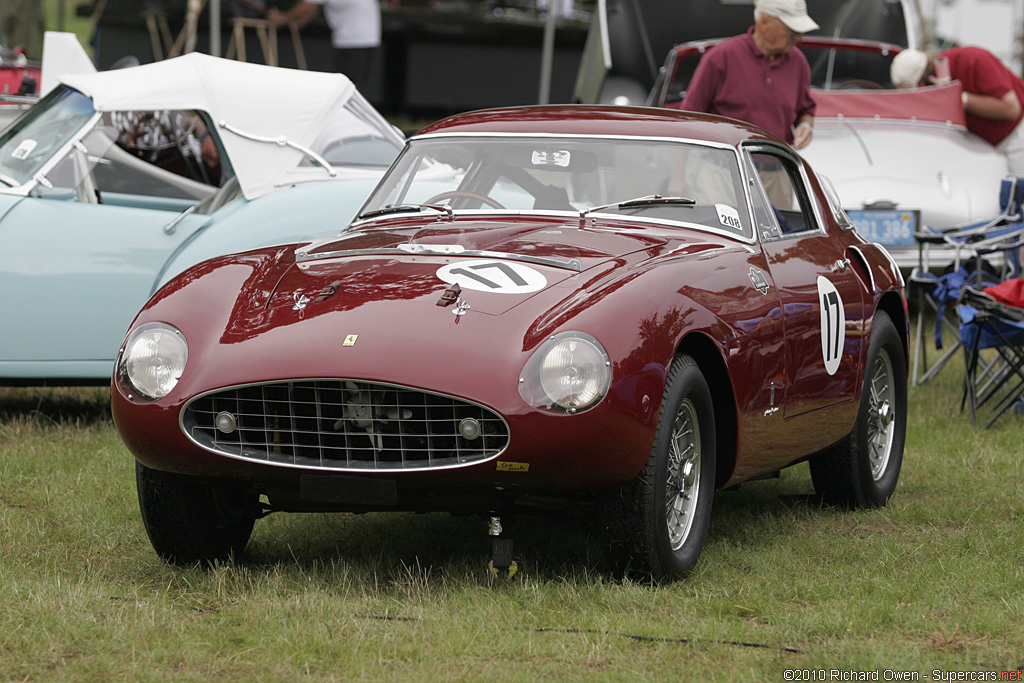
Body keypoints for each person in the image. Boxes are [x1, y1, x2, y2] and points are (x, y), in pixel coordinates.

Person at [681, 0, 818, 151]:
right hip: (720, 169)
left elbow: (806, 111)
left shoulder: (798, 62)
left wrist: (805, 125)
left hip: (778, 167)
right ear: (764, 22)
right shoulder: (721, 57)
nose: (798, 38)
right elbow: (689, 118)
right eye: (792, 31)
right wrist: (679, 173)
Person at [890, 47, 1024, 176]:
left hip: (1017, 134)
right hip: (986, 148)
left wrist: (958, 97)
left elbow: (1011, 109)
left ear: (928, 77)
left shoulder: (974, 59)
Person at [268, 0, 381, 93]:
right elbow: (314, 7)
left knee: (348, 84)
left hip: (354, 39)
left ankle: (348, 115)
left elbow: (308, 5)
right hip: (359, 37)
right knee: (349, 83)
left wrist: (283, 18)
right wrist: (294, 22)